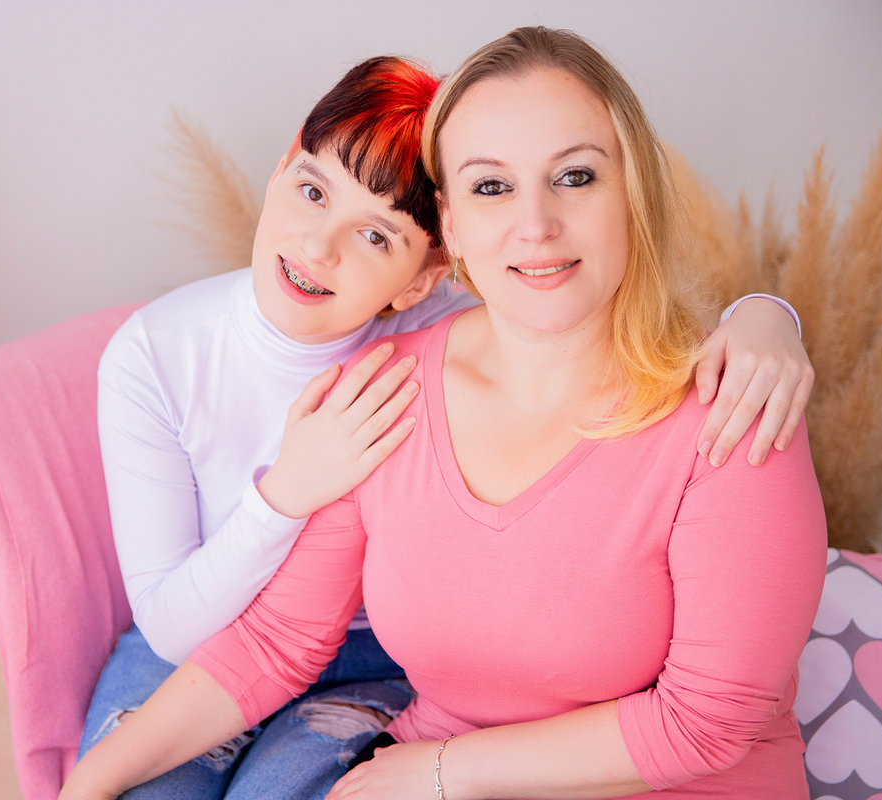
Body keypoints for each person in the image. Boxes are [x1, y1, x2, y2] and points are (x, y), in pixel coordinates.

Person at [72, 44, 818, 800]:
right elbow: (276, 642)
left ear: (635, 193)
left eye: (575, 176)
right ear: (452, 231)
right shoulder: (389, 388)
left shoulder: (735, 411)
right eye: (492, 186)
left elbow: (708, 723)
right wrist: (88, 786)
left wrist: (443, 772)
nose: (536, 224)